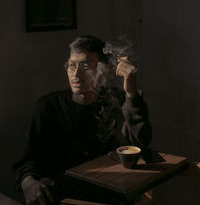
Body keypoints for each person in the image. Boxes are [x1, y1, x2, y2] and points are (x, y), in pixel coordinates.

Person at [13, 35, 152, 205]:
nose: (76, 74)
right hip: (62, 197)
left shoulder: (117, 101)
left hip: (108, 195)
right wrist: (29, 183)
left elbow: (141, 142)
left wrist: (131, 92)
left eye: (85, 66)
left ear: (104, 70)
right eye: (71, 66)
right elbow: (29, 159)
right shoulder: (48, 106)